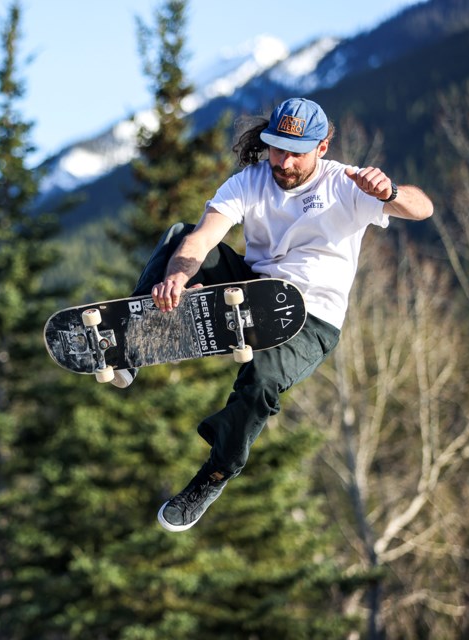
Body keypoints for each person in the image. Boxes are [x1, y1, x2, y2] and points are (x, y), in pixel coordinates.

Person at [112, 97, 434, 532]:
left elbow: (422, 208)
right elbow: (203, 238)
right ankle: (134, 340)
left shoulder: (345, 185)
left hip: (311, 317)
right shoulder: (250, 181)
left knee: (261, 381)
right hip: (251, 287)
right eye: (276, 149)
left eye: (295, 153)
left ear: (322, 148)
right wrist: (176, 276)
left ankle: (216, 473)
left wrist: (390, 192)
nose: (282, 162)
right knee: (179, 236)